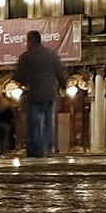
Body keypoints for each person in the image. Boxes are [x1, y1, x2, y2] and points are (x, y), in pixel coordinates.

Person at [13, 29, 66, 158]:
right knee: (49, 122)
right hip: (49, 93)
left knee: (35, 123)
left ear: (30, 41)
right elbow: (60, 73)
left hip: (34, 94)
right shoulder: (52, 55)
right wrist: (63, 86)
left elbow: (18, 75)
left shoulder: (26, 56)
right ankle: (49, 147)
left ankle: (37, 150)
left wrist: (24, 81)